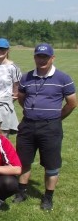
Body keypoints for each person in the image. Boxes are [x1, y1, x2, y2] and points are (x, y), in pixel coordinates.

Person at [14, 43, 76, 211]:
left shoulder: (63, 78)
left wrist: (56, 117)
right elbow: (21, 97)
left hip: (51, 127)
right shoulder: (26, 77)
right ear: (34, 57)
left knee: (51, 164)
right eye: (38, 56)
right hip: (28, 125)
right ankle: (21, 192)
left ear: (52, 58)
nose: (41, 60)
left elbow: (72, 103)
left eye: (45, 57)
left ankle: (48, 197)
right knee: (23, 161)